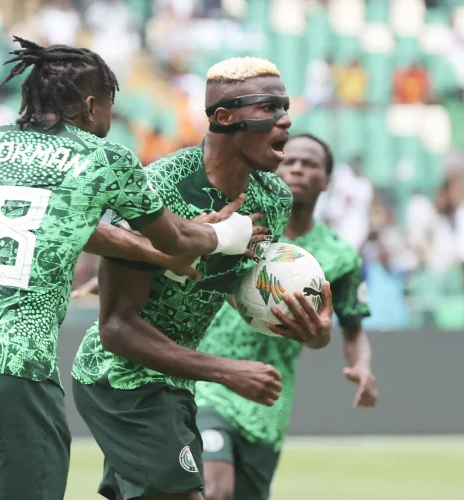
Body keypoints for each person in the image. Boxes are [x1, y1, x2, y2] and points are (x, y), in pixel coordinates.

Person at [0, 38, 258, 500]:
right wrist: (230, 234)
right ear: (91, 106)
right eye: (109, 106)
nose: (108, 120)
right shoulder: (104, 157)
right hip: (14, 361)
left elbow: (61, 222)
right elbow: (180, 238)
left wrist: (151, 256)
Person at [70, 57, 334, 500]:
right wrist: (226, 371)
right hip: (120, 379)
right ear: (225, 117)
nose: (285, 120)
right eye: (268, 107)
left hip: (175, 382)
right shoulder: (158, 187)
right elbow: (116, 329)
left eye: (285, 106)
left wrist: (310, 329)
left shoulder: (273, 197)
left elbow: (240, 286)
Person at [196, 135, 378, 500]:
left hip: (269, 399)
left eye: (310, 164)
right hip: (209, 382)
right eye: (290, 161)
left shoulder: (340, 256)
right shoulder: (244, 223)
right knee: (215, 491)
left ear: (327, 180)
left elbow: (352, 330)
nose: (297, 168)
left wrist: (362, 366)